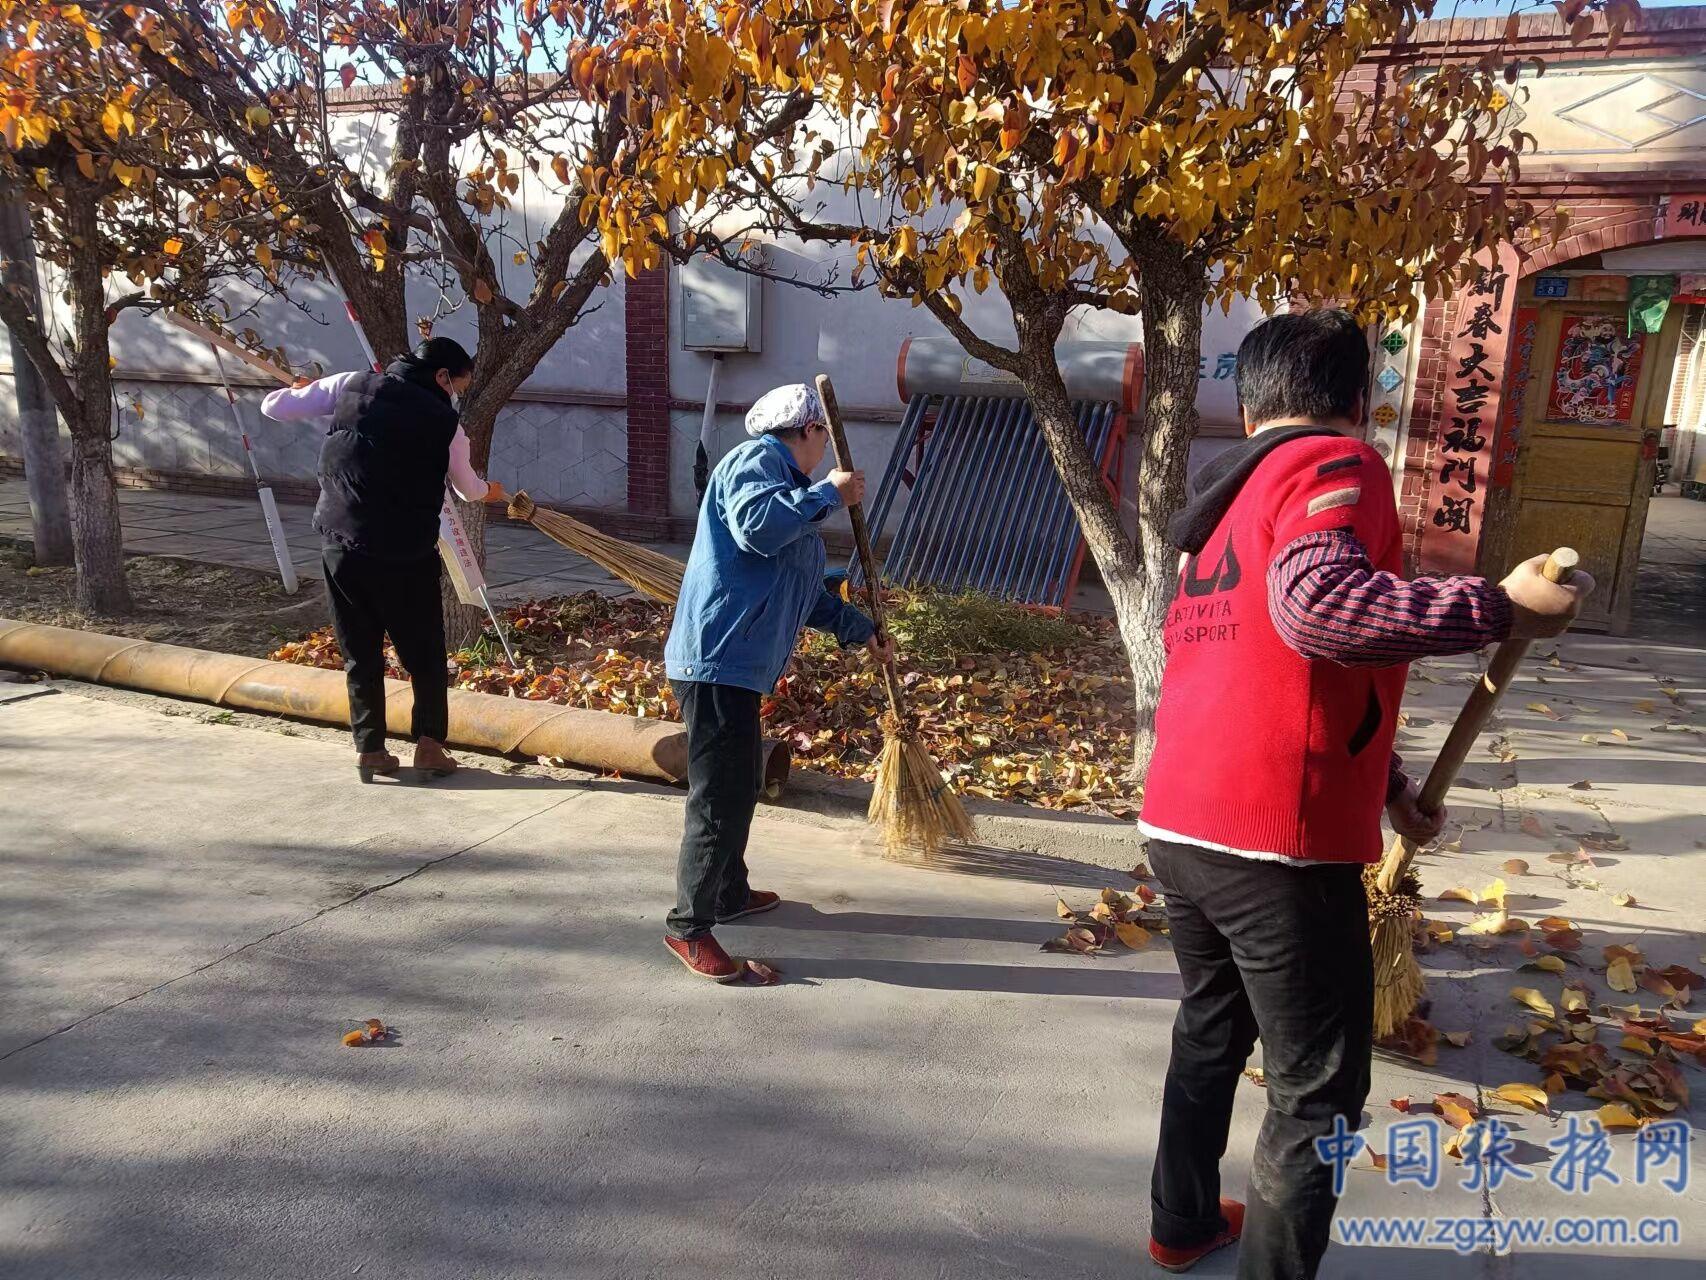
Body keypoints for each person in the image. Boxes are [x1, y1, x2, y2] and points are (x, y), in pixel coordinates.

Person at [1138, 310, 1594, 1278]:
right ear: (1357, 400)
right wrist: (1498, 605)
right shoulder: (1331, 463)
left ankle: (1181, 1221)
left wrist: (1387, 787)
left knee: (1210, 1027)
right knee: (1316, 1095)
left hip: (1179, 821)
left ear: (1246, 404)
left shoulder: (1219, 504)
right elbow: (1319, 610)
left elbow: (1268, 673)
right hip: (1277, 840)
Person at [662, 383, 891, 982]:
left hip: (741, 665)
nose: (824, 452)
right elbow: (756, 530)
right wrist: (829, 494)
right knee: (718, 796)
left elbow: (804, 594)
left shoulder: (790, 490)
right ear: (809, 430)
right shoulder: (756, 463)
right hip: (716, 660)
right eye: (822, 438)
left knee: (740, 784)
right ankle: (688, 926)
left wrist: (861, 629)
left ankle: (728, 892)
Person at [261, 337, 505, 783]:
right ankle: (430, 746)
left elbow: (273, 407)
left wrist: (303, 389)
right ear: (442, 376)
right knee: (424, 652)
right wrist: (490, 491)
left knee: (360, 650)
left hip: (343, 543)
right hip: (406, 553)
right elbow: (467, 488)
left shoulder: (350, 384)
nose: (457, 395)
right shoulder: (447, 424)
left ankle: (370, 749)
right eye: (458, 386)